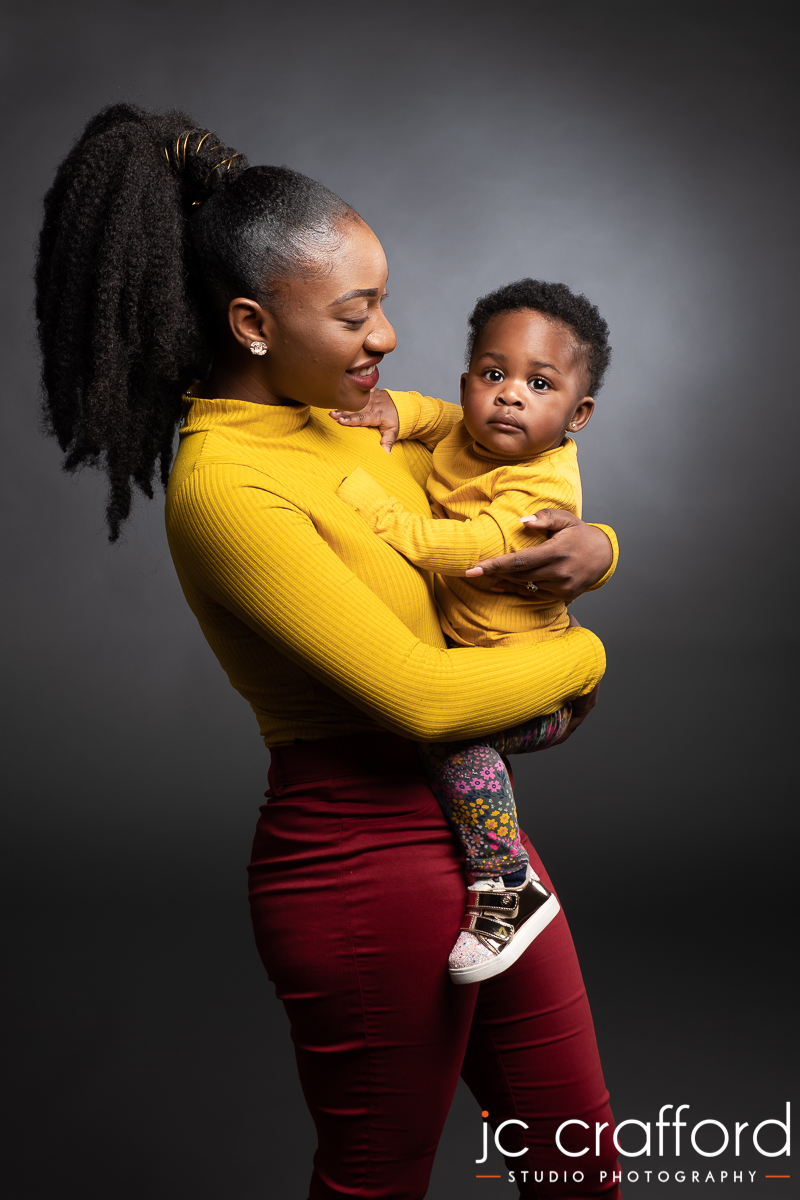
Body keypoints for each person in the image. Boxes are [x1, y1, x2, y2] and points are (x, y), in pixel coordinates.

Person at [35, 103, 622, 1198]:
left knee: (580, 1161)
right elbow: (419, 698)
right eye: (356, 314)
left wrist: (598, 546)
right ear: (253, 324)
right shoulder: (227, 486)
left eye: (382, 303)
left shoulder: (353, 418)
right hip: (361, 867)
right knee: (377, 1182)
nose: (387, 337)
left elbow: (502, 508)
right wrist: (584, 662)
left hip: (486, 853)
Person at [329, 279, 609, 986]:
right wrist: (394, 407)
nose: (509, 395)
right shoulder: (471, 430)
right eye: (492, 374)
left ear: (576, 415)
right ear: (468, 384)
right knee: (455, 749)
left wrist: (380, 516)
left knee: (452, 742)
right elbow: (438, 417)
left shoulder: (542, 487)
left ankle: (506, 881)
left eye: (539, 384)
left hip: (538, 686)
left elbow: (473, 548)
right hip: (491, 668)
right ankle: (489, 845)